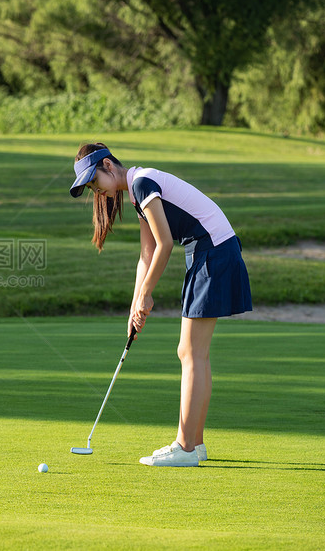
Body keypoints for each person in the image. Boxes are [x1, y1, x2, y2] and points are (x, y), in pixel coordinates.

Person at [69, 143, 252, 467]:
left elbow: (165, 244)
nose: (95, 191)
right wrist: (134, 305)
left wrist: (147, 295)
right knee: (193, 352)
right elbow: (147, 252)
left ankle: (184, 446)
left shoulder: (142, 183)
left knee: (190, 352)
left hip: (213, 251)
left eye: (94, 181)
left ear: (108, 165)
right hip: (211, 251)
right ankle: (194, 444)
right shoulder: (140, 192)